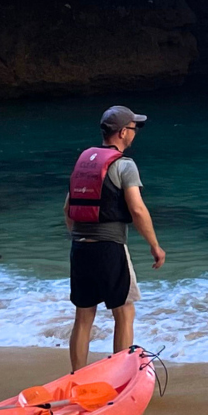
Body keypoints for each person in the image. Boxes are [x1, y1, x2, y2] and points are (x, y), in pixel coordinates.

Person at [66, 106, 165, 370]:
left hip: (80, 248)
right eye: (134, 128)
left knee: (84, 316)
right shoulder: (124, 165)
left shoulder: (84, 161)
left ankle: (76, 376)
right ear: (122, 132)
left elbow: (68, 209)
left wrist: (79, 237)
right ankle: (118, 375)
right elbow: (137, 208)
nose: (135, 134)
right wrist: (154, 245)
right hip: (110, 248)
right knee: (124, 312)